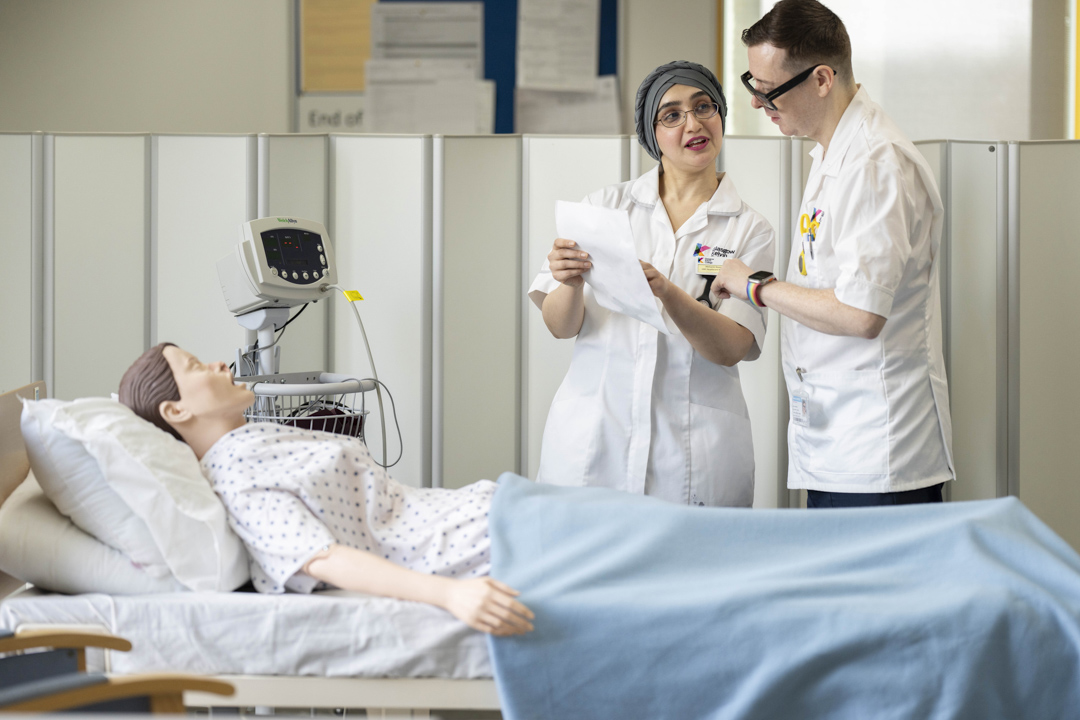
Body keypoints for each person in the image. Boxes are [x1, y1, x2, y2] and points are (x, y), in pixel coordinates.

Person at [118, 342, 534, 637]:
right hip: (479, 545)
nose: (219, 365)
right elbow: (320, 558)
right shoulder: (236, 478)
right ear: (176, 410)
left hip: (491, 511)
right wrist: (450, 595)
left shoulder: (255, 441)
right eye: (196, 366)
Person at [716, 0, 954, 507]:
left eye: (770, 90)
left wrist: (754, 285)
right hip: (838, 442)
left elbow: (862, 314)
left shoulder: (875, 163)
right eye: (751, 85)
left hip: (879, 454)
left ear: (822, 79)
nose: (759, 104)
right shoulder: (832, 153)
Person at [529, 61, 775, 508]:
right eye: (672, 115)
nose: (694, 123)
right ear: (652, 134)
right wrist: (569, 283)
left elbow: (731, 347)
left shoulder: (750, 230)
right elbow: (560, 326)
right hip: (594, 439)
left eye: (705, 107)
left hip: (693, 451)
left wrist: (667, 292)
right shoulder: (605, 208)